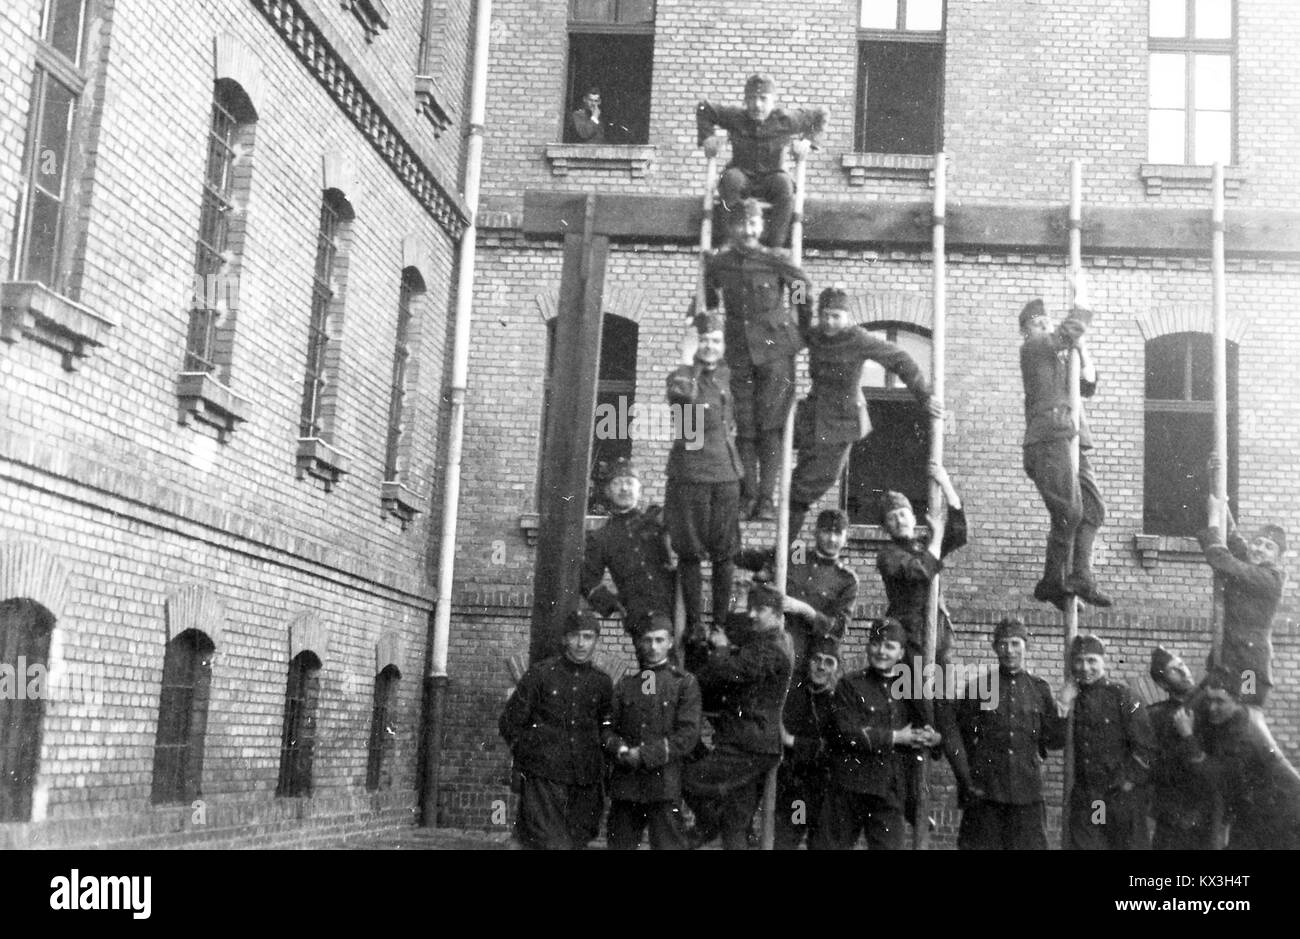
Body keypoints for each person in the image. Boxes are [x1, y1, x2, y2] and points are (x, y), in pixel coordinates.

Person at [788, 286, 939, 542]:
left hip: (840, 424)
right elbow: (789, 334)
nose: (829, 322)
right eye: (825, 315)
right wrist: (795, 291)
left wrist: (924, 395)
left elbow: (900, 359)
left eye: (836, 316)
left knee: (803, 490)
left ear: (847, 317)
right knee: (762, 435)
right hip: (811, 415)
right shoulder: (816, 336)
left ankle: (776, 556)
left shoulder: (859, 339)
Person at [702, 198, 813, 519]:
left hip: (776, 351)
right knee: (745, 427)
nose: (748, 231)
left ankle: (766, 499)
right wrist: (706, 271)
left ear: (761, 227)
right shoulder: (720, 264)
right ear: (733, 228)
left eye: (753, 224)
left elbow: (801, 288)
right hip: (738, 354)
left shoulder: (776, 260)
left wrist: (799, 329)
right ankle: (748, 496)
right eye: (741, 225)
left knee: (771, 427)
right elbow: (709, 298)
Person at [1019, 274, 1109, 609]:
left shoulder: (1056, 357)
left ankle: (1080, 577)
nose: (1044, 327)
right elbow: (1069, 330)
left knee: (1093, 510)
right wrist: (1081, 296)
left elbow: (1086, 385)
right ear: (1026, 330)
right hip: (1050, 439)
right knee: (1069, 512)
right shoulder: (1034, 348)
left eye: (1046, 321)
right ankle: (1052, 581)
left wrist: (1082, 349)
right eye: (1037, 323)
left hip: (1070, 437)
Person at [682, 584, 793, 850]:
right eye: (751, 608)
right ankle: (717, 818)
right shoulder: (764, 642)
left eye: (761, 609)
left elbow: (735, 672)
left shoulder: (773, 647)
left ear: (778, 615)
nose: (753, 615)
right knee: (735, 824)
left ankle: (708, 823)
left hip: (749, 746)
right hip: (752, 744)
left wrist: (721, 649)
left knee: (687, 779)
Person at [943, 617, 1066, 850]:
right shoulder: (979, 688)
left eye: (1015, 643)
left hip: (1027, 796)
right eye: (1003, 644)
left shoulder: (1039, 689)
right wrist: (967, 780)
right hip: (986, 795)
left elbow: (1053, 740)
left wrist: (1065, 708)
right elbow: (960, 737)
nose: (1009, 651)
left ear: (1026, 646)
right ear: (995, 648)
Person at [821, 618, 940, 850]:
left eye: (889, 646)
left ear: (901, 652)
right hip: (849, 788)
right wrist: (896, 737)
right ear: (868, 646)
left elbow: (930, 733)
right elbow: (847, 733)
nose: (881, 652)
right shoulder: (850, 685)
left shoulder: (910, 691)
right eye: (875, 644)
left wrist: (932, 738)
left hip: (888, 791)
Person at [498, 610, 613, 850]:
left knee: (579, 839)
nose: (581, 643)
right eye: (575, 636)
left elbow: (606, 726)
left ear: (596, 641)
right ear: (564, 639)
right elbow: (510, 721)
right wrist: (530, 754)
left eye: (588, 636)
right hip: (545, 777)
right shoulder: (541, 674)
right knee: (550, 842)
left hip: (585, 778)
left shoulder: (602, 682)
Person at [665, 312, 744, 640]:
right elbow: (684, 412)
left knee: (725, 555)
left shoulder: (731, 376)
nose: (709, 346)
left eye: (715, 340)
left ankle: (720, 625)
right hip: (690, 475)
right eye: (703, 340)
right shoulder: (681, 377)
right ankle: (696, 625)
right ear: (694, 343)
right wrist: (686, 361)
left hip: (725, 475)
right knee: (690, 553)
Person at [604, 611, 702, 850]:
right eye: (647, 640)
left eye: (659, 640)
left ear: (670, 643)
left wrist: (645, 755)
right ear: (639, 643)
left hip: (664, 786)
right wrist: (620, 749)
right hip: (627, 786)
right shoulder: (625, 686)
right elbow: (606, 729)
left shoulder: (684, 683)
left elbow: (688, 736)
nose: (653, 647)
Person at [1173, 669, 1300, 850]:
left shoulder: (1245, 737)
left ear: (1237, 700)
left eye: (1220, 701)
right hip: (1257, 810)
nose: (1211, 707)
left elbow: (1217, 778)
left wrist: (1188, 736)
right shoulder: (1234, 718)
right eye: (1209, 700)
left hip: (1282, 813)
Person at [696, 73, 826, 248]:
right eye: (751, 99)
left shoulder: (785, 119)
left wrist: (807, 142)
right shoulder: (735, 117)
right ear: (745, 100)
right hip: (741, 174)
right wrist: (707, 138)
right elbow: (704, 108)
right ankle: (730, 244)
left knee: (785, 185)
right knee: (730, 180)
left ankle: (775, 249)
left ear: (772, 101)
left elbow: (821, 115)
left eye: (763, 99)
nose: (757, 105)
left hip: (772, 178)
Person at [736, 507, 858, 671]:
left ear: (845, 538)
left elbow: (838, 629)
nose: (832, 539)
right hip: (774, 647)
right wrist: (762, 578)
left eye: (838, 534)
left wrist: (805, 610)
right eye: (826, 532)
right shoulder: (797, 556)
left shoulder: (847, 579)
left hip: (809, 659)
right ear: (815, 533)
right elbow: (765, 568)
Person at [1060, 634, 1153, 850]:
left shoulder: (1124, 697)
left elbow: (1147, 748)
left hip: (1121, 799)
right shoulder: (1073, 699)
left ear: (1104, 661)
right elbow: (1055, 740)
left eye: (1092, 660)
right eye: (1079, 661)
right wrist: (1063, 704)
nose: (1085, 668)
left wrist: (1127, 782)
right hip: (1090, 800)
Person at [1198, 492, 1287, 710]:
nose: (1259, 549)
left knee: (1246, 714)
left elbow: (1223, 560)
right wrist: (1222, 504)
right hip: (1227, 662)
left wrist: (1212, 519)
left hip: (1249, 668)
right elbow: (1235, 539)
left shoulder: (1269, 579)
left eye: (1268, 547)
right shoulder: (1252, 565)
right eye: (1257, 542)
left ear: (1277, 557)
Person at [877, 463, 966, 669]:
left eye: (903, 514)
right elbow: (921, 571)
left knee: (941, 695)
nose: (900, 521)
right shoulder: (888, 556)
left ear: (913, 517)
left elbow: (959, 533)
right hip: (908, 638)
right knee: (913, 693)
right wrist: (936, 541)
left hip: (938, 635)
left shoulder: (925, 545)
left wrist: (945, 483)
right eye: (892, 517)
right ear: (885, 527)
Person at [579, 458, 676, 637]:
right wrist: (615, 604)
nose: (624, 489)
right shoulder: (602, 537)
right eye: (617, 483)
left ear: (639, 490)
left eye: (629, 483)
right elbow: (588, 580)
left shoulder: (655, 521)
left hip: (676, 606)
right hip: (640, 617)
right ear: (608, 491)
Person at [1145, 645, 1216, 850]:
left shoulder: (1210, 708)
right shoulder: (1155, 716)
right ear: (1161, 683)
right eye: (1174, 670)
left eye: (1182, 665)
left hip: (1207, 809)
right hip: (1172, 813)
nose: (1184, 672)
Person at [775, 634, 840, 850]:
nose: (821, 667)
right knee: (786, 841)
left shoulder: (839, 704)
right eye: (817, 659)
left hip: (826, 795)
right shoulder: (793, 698)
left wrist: (792, 741)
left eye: (828, 662)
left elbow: (836, 749)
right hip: (798, 794)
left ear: (836, 668)